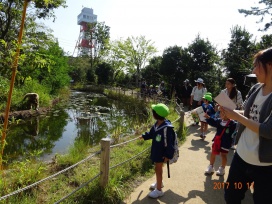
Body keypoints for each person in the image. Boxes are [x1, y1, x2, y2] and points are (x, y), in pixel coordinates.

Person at [222, 47, 272, 203]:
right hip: (241, 157)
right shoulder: (256, 88)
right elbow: (248, 114)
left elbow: (268, 130)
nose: (254, 70)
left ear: (269, 65)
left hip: (265, 166)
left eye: (256, 65)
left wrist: (236, 115)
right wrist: (230, 112)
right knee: (231, 196)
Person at [140, 103, 175, 198]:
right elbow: (151, 134)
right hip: (156, 150)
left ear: (156, 115)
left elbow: (170, 143)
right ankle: (159, 183)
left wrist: (168, 155)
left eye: (153, 112)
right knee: (158, 169)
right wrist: (144, 136)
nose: (152, 113)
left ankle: (159, 190)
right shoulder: (157, 124)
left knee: (158, 170)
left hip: (162, 153)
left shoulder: (166, 128)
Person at [204, 109, 237, 176]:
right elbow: (213, 122)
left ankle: (222, 168)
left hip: (226, 142)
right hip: (217, 140)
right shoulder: (219, 121)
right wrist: (208, 118)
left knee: (223, 155)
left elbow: (235, 131)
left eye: (223, 112)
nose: (221, 114)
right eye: (221, 112)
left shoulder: (233, 123)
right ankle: (211, 166)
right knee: (213, 153)